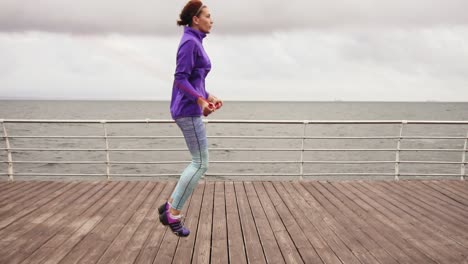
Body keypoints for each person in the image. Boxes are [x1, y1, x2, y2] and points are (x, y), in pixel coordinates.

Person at [158, 0, 222, 237]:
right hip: (186, 110)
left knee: (198, 162)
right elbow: (180, 78)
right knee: (200, 163)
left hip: (189, 107)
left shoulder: (194, 41)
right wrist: (198, 100)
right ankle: (173, 214)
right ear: (196, 19)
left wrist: (207, 95)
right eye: (207, 15)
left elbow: (194, 80)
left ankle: (168, 208)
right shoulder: (189, 43)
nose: (211, 20)